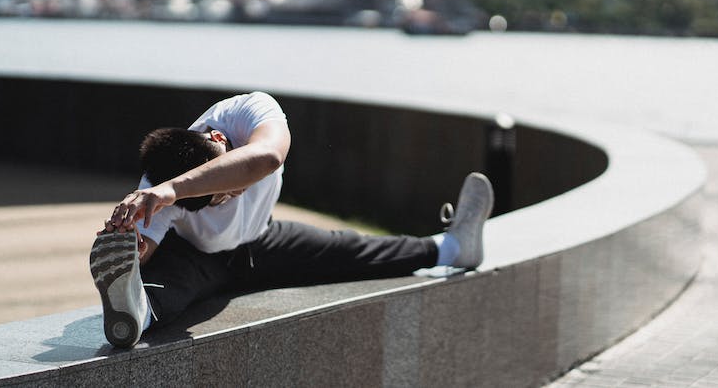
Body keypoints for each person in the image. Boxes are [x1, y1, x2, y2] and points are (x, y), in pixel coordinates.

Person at [89, 91, 494, 348]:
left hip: (262, 242)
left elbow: (268, 157)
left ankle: (454, 247)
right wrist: (132, 250)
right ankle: (134, 316)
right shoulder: (155, 182)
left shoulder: (248, 111)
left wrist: (177, 190)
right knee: (167, 284)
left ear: (219, 140)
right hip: (200, 257)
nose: (229, 197)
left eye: (226, 188)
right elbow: (150, 245)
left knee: (347, 248)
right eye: (218, 200)